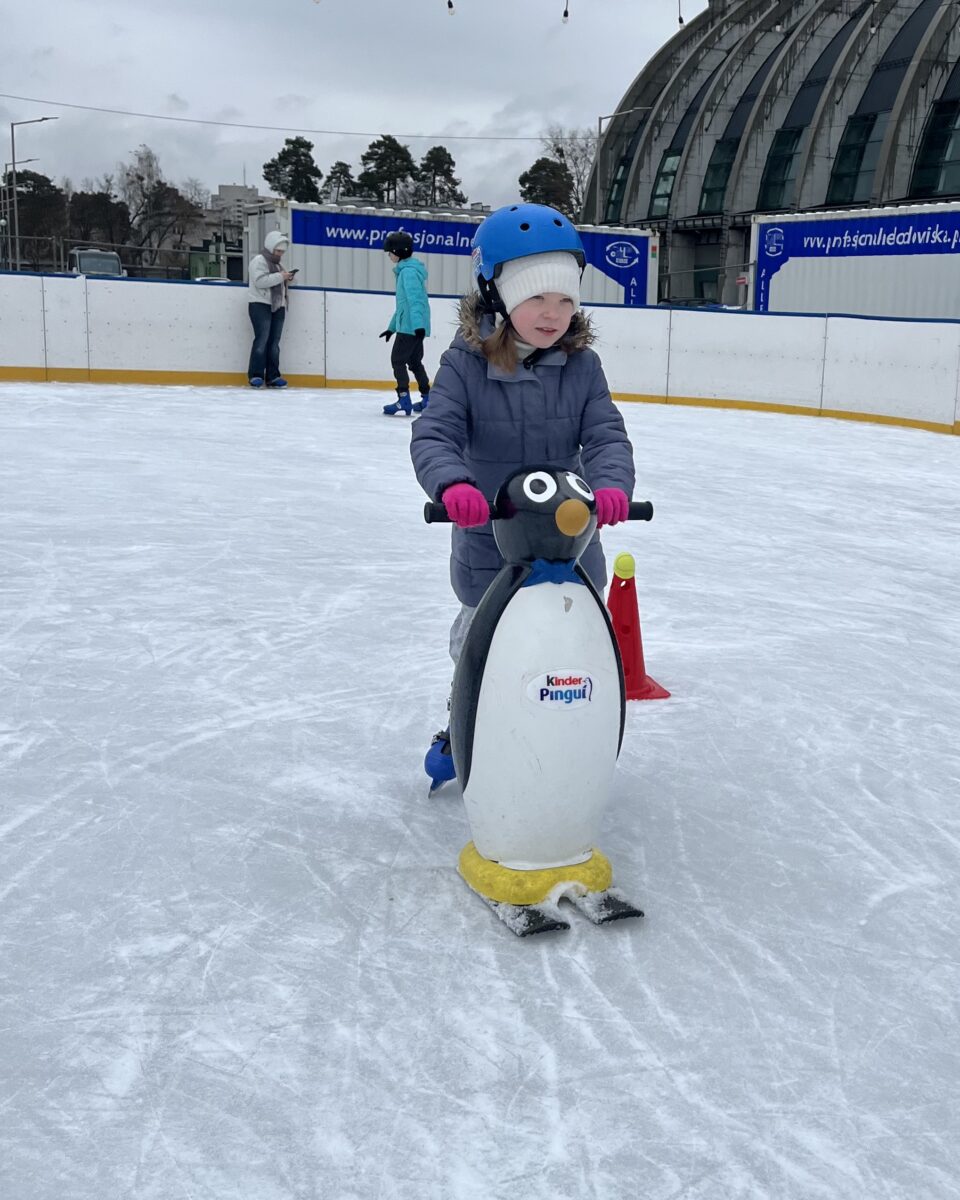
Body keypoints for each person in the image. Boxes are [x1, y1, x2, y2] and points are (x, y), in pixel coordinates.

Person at [410, 202, 635, 789]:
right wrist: (452, 483)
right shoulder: (464, 364)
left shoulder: (582, 366)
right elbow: (436, 432)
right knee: (479, 642)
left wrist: (612, 486)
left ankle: (567, 735)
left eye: (565, 299)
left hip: (568, 535)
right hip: (490, 536)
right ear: (498, 295)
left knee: (575, 637)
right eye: (536, 297)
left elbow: (605, 432)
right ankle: (466, 724)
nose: (552, 313)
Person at [380, 230, 431, 416]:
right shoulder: (408, 271)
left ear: (398, 251)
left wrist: (417, 325)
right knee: (415, 362)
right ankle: (427, 398)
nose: (389, 255)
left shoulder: (407, 273)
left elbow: (415, 300)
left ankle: (404, 399)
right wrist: (391, 328)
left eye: (390, 252)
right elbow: (403, 306)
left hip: (411, 328)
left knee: (397, 361)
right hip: (413, 326)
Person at [247, 230, 294, 388]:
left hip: (278, 305)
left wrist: (288, 277)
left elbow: (278, 279)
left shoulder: (278, 264)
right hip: (260, 305)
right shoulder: (258, 261)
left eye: (282, 252)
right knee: (262, 340)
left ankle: (273, 376)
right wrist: (282, 277)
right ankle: (256, 375)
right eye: (278, 251)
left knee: (274, 343)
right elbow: (260, 281)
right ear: (270, 247)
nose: (280, 254)